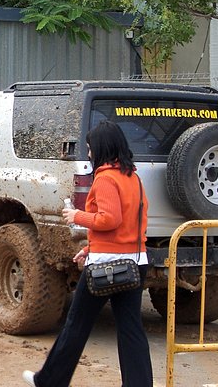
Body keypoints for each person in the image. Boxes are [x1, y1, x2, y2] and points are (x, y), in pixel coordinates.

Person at [22, 120, 153, 387]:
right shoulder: (133, 178)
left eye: (90, 148)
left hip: (106, 266)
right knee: (131, 330)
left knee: (76, 326)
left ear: (101, 149)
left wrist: (77, 216)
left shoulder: (105, 178)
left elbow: (110, 219)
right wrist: (90, 248)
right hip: (135, 262)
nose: (89, 154)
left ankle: (49, 381)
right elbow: (128, 224)